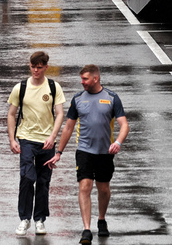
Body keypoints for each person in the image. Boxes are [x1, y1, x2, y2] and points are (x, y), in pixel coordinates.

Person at [52, 65, 129, 244]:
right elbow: (69, 127)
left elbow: (124, 124)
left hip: (105, 152)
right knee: (84, 186)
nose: (82, 82)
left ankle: (101, 219)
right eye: (82, 79)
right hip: (84, 151)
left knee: (103, 189)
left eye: (85, 79)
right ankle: (86, 229)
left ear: (96, 78)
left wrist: (117, 142)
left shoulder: (111, 98)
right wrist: (59, 152)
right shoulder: (78, 99)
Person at [7, 51, 66, 236]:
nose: (35, 71)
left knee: (43, 181)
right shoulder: (21, 87)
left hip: (47, 141)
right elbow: (11, 114)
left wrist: (52, 136)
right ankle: (24, 218)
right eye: (33, 67)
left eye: (39, 67)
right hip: (26, 138)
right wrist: (12, 139)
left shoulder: (53, 87)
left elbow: (60, 114)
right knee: (27, 178)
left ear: (46, 67)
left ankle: (39, 219)